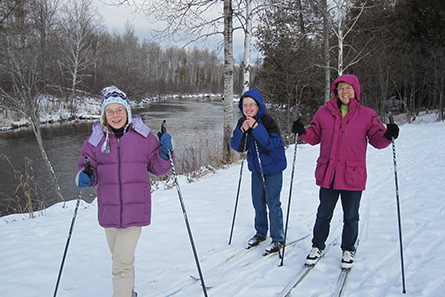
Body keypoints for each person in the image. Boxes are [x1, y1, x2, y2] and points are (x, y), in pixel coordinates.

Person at [292, 74, 399, 269]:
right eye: (341, 88)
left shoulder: (367, 114)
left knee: (351, 216)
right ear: (336, 91)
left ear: (355, 91)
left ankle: (348, 249)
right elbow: (314, 134)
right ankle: (317, 247)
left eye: (348, 88)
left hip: (352, 174)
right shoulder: (324, 112)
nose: (345, 92)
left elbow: (377, 139)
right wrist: (302, 132)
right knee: (323, 214)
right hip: (329, 174)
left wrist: (388, 135)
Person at [74, 86, 173, 297]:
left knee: (120, 264)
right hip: (109, 211)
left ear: (127, 111)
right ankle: (130, 292)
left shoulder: (144, 137)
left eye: (120, 110)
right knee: (122, 260)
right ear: (104, 115)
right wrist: (84, 177)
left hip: (135, 209)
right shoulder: (94, 141)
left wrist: (166, 153)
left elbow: (158, 168)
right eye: (110, 111)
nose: (115, 115)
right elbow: (86, 168)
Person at [230, 88, 287, 255]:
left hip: (273, 168)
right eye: (245, 105)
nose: (248, 108)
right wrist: (242, 130)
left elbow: (269, 144)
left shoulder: (268, 122)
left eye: (251, 105)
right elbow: (236, 146)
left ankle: (278, 237)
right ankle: (261, 232)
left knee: (273, 202)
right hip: (256, 169)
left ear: (258, 105)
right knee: (258, 202)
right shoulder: (242, 122)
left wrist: (255, 127)